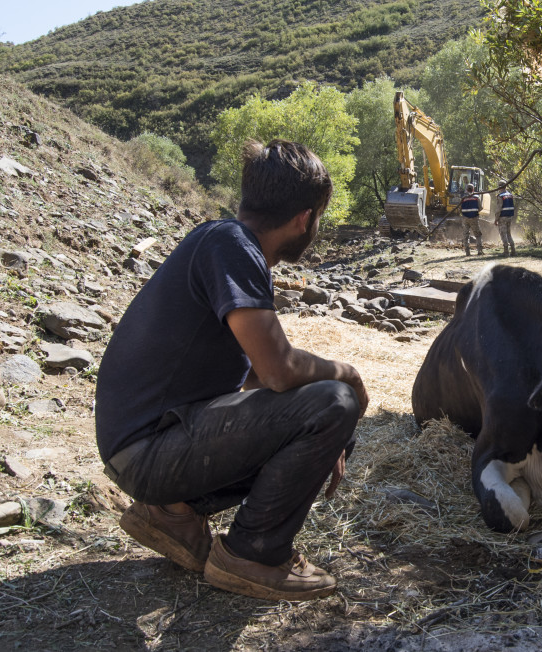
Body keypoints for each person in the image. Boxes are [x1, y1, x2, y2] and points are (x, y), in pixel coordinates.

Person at [94, 139, 368, 602]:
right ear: (304, 218)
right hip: (148, 450)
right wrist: (349, 379)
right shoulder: (231, 245)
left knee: (327, 407)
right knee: (335, 398)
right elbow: (279, 371)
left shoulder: (225, 242)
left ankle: (172, 512)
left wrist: (327, 441)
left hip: (144, 447)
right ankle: (254, 555)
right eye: (317, 218)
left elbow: (259, 377)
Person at [493, 179, 517, 256]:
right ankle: (513, 251)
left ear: (499, 187)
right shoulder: (510, 195)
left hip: (502, 217)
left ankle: (506, 252)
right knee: (509, 233)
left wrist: (496, 219)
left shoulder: (500, 196)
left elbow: (498, 209)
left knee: (503, 234)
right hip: (509, 217)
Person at [459, 183, 483, 256]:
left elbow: (460, 209)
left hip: (465, 219)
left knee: (466, 235)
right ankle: (479, 251)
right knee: (478, 235)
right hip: (474, 218)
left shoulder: (463, 198)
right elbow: (480, 208)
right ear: (473, 189)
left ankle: (467, 252)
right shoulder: (476, 197)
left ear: (466, 189)